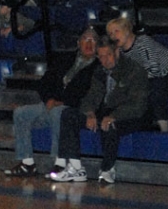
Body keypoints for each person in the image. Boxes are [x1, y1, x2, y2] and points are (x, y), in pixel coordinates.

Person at [51, 38, 149, 185]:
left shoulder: (134, 70)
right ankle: (75, 167)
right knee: (68, 114)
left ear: (116, 52)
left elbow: (137, 104)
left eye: (108, 55)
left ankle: (107, 169)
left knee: (110, 125)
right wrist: (89, 112)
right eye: (100, 57)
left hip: (131, 115)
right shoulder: (99, 71)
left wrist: (114, 116)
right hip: (105, 112)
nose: (105, 60)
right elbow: (92, 96)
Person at [5, 27, 100, 177]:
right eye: (85, 39)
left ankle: (60, 162)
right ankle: (27, 162)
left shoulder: (98, 67)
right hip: (51, 103)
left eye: (93, 40)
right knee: (21, 113)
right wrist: (49, 99)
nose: (89, 43)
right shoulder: (64, 59)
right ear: (78, 42)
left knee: (58, 113)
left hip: (72, 108)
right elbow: (44, 83)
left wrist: (61, 102)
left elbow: (89, 94)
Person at [106, 16, 168, 134]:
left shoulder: (143, 42)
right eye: (110, 34)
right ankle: (163, 127)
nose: (113, 36)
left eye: (116, 31)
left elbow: (154, 70)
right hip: (159, 78)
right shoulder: (121, 53)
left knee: (158, 85)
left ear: (127, 30)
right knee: (154, 87)